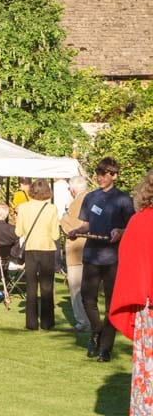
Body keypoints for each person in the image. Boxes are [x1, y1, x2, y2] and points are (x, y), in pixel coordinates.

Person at [68, 157, 135, 362]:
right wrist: (77, 231)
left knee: (111, 304)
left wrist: (120, 231)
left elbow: (132, 228)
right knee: (87, 299)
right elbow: (87, 224)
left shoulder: (123, 199)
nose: (100, 177)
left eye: (104, 174)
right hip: (91, 255)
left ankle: (106, 348)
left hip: (113, 258)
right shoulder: (90, 197)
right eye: (98, 174)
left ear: (114, 175)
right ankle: (96, 331)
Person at [109, 168, 153, 414]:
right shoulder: (140, 221)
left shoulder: (140, 221)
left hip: (148, 307)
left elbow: (129, 263)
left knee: (148, 372)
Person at [15, 178, 60, 331]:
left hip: (30, 248)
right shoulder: (52, 209)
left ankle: (31, 323)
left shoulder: (23, 208)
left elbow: (18, 231)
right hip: (47, 248)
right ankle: (47, 322)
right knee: (47, 286)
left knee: (31, 286)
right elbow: (55, 234)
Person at [61, 175, 92, 331]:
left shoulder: (76, 203)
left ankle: (83, 321)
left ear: (72, 189)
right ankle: (91, 320)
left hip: (77, 250)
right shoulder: (93, 197)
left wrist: (63, 217)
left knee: (76, 288)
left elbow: (72, 228)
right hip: (92, 250)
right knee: (89, 289)